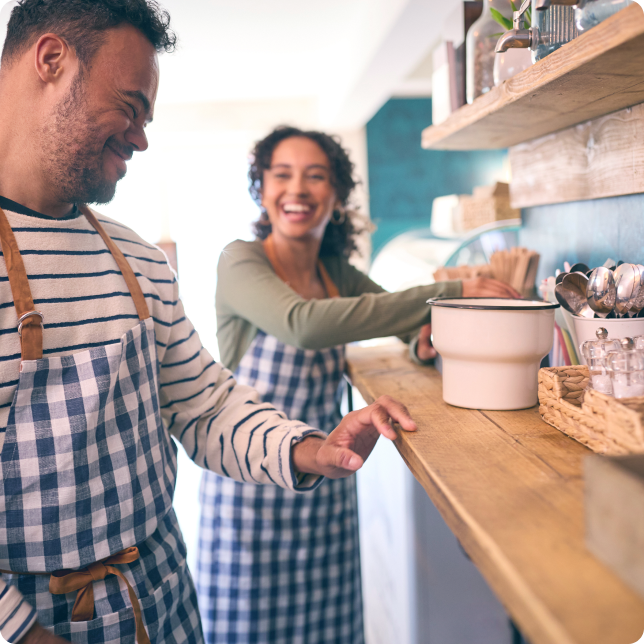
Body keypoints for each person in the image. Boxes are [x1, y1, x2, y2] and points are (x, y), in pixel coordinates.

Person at [0, 4, 419, 644]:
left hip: (167, 602)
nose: (141, 139)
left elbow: (204, 407)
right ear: (51, 60)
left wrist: (311, 448)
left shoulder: (137, 259)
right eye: (130, 106)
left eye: (148, 118)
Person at [196, 126, 520, 644]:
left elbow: (403, 324)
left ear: (337, 196)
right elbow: (305, 323)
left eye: (315, 176)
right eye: (282, 174)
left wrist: (422, 342)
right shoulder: (241, 261)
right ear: (262, 187)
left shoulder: (336, 274)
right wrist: (451, 291)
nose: (297, 189)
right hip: (252, 492)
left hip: (325, 484)